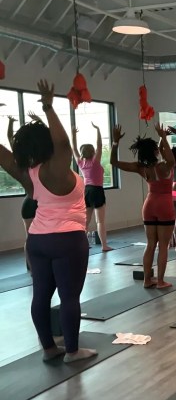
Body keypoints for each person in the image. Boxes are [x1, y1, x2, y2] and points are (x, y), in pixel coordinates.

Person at [0, 80, 96, 363]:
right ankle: (73, 351)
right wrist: (48, 107)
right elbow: (63, 143)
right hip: (68, 240)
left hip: (37, 241)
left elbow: (2, 153)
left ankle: (48, 349)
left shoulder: (27, 173)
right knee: (69, 297)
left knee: (40, 296)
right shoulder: (57, 169)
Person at [111, 123, 175, 289]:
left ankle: (147, 280)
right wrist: (163, 137)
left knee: (150, 244)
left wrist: (115, 142)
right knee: (163, 246)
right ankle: (160, 281)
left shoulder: (140, 168)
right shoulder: (164, 166)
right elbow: (171, 159)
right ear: (155, 151)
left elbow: (113, 161)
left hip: (149, 205)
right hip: (164, 205)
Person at [71, 123, 112, 251]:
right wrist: (98, 130)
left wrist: (73, 134)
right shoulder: (95, 162)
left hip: (86, 191)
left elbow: (74, 148)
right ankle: (104, 246)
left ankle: (83, 245)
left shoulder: (81, 163)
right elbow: (100, 145)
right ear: (93, 152)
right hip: (97, 190)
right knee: (100, 221)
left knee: (86, 221)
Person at [7, 114, 38, 271]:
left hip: (28, 203)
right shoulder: (39, 163)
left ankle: (32, 268)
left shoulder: (22, 164)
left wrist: (11, 123)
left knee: (31, 238)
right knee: (35, 238)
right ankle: (33, 268)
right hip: (36, 203)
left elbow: (11, 140)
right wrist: (39, 119)